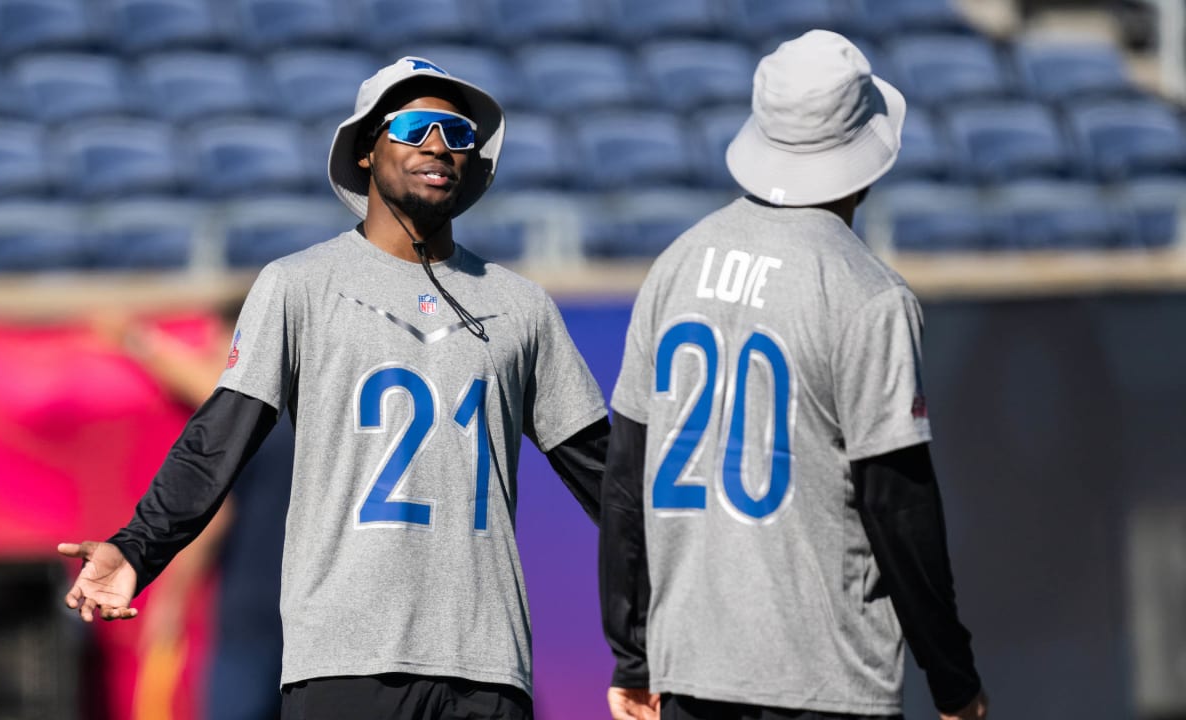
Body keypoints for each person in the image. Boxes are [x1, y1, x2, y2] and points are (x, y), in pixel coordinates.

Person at [58, 56, 611, 720]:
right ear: (366, 150)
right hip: (344, 660)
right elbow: (219, 439)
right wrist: (137, 548)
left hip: (486, 664)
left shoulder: (522, 306)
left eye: (459, 134)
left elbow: (608, 479)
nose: (439, 145)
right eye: (415, 128)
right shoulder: (298, 285)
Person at [599, 31, 988, 720]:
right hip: (827, 674)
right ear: (863, 157)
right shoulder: (868, 294)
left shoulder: (675, 266)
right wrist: (953, 678)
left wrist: (634, 656)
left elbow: (627, 480)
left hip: (693, 669)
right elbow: (898, 507)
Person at [92, 305, 292, 720]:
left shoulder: (255, 415)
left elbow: (214, 517)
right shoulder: (313, 407)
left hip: (253, 613)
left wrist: (170, 599)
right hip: (311, 608)